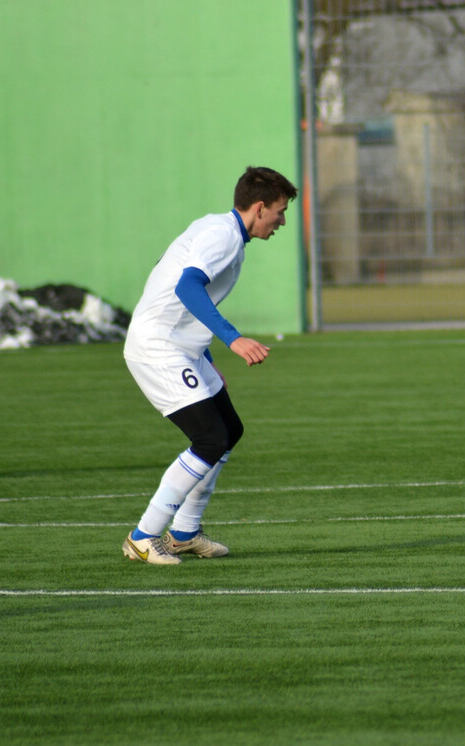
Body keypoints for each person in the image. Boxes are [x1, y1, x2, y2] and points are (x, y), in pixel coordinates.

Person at [121, 166, 297, 565]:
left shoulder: (222, 229)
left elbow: (181, 291)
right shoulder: (222, 236)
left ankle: (184, 532)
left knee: (228, 430)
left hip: (183, 346)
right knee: (209, 438)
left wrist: (207, 357)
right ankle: (144, 536)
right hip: (158, 347)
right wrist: (233, 339)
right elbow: (186, 287)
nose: (282, 221)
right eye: (281, 211)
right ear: (259, 207)